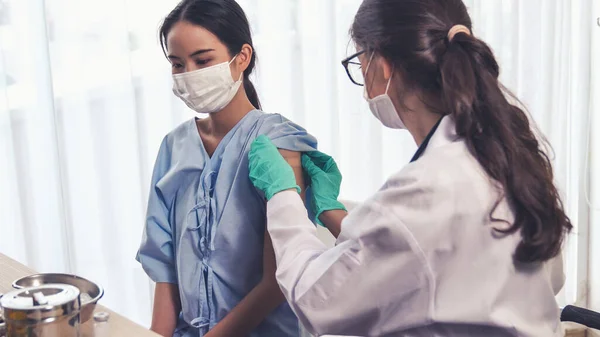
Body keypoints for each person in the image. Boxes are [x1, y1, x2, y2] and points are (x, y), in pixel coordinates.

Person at [247, 0, 572, 336]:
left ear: (382, 65)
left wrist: (283, 194)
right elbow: (423, 253)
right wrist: (332, 213)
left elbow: (315, 298)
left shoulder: (428, 188)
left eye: (358, 61)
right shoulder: (508, 156)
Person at [135, 1, 318, 336]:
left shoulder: (280, 144)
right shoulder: (173, 148)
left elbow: (277, 279)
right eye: (177, 64)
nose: (189, 73)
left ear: (242, 58)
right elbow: (166, 271)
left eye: (203, 61)